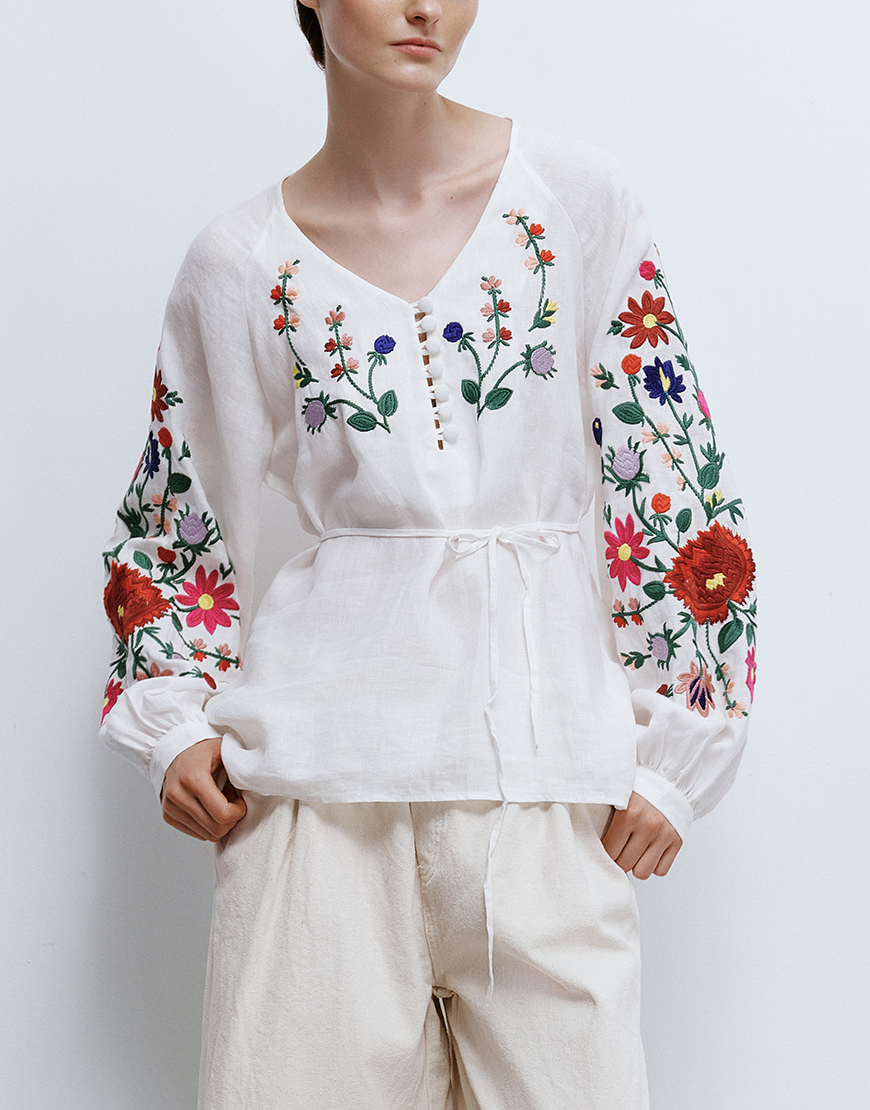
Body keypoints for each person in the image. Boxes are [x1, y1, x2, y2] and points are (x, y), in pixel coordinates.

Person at [99, 1, 757, 1106]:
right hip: (312, 803)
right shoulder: (238, 262)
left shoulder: (575, 200)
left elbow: (670, 475)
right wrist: (170, 719)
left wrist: (680, 742)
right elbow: (177, 516)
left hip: (548, 791)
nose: (427, 6)